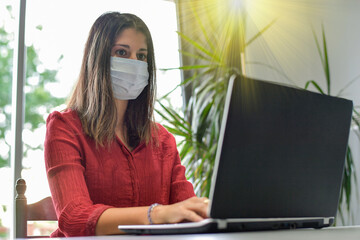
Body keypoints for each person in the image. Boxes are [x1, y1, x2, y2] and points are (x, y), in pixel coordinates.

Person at [44, 12, 208, 237]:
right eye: (121, 52)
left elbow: (187, 210)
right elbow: (74, 218)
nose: (135, 64)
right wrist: (156, 214)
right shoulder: (65, 128)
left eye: (141, 56)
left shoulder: (163, 141)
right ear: (98, 58)